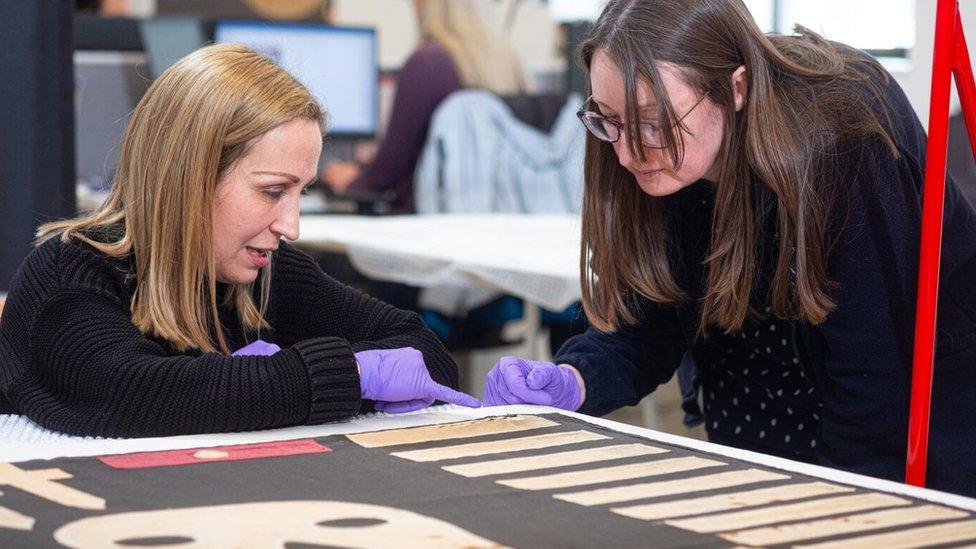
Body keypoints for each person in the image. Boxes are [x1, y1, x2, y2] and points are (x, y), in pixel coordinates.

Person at [482, 0, 976, 497]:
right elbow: (646, 324)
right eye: (609, 120)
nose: (630, 153)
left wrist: (841, 509)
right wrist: (574, 377)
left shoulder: (844, 132)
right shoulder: (645, 145)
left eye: (656, 122)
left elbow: (877, 371)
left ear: (736, 88)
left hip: (908, 428)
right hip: (754, 426)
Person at [0, 43, 479, 438]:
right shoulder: (68, 273)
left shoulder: (268, 275)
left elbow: (423, 349)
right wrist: (347, 375)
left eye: (300, 192)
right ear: (189, 177)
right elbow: (126, 392)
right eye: (272, 191)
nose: (290, 226)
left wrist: (277, 382)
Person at [320, 0, 527, 213]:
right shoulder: (510, 63)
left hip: (427, 219)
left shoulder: (427, 62)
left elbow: (390, 170)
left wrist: (353, 180)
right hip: (494, 216)